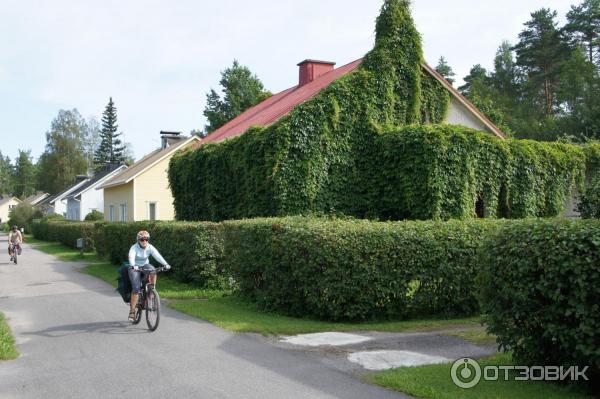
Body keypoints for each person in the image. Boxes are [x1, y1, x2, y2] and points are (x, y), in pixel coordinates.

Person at [127, 230, 170, 322]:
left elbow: (157, 256)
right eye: (142, 239)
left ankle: (151, 290)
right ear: (138, 240)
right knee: (136, 288)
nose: (144, 241)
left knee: (153, 270)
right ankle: (132, 311)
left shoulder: (150, 247)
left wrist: (166, 264)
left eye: (146, 239)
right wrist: (133, 265)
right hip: (134, 267)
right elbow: (131, 256)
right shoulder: (134, 248)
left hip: (145, 265)